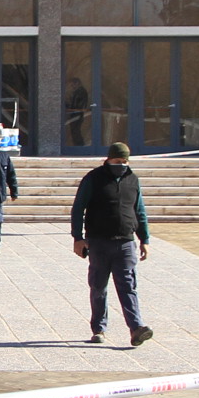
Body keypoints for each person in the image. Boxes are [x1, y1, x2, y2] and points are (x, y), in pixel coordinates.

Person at [70, 141, 154, 346]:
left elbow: (139, 211)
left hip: (126, 243)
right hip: (99, 242)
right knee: (99, 287)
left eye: (125, 161)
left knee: (128, 286)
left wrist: (145, 239)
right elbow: (78, 208)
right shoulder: (93, 179)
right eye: (118, 161)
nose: (121, 165)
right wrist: (77, 238)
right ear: (108, 159)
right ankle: (99, 328)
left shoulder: (133, 180)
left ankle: (136, 328)